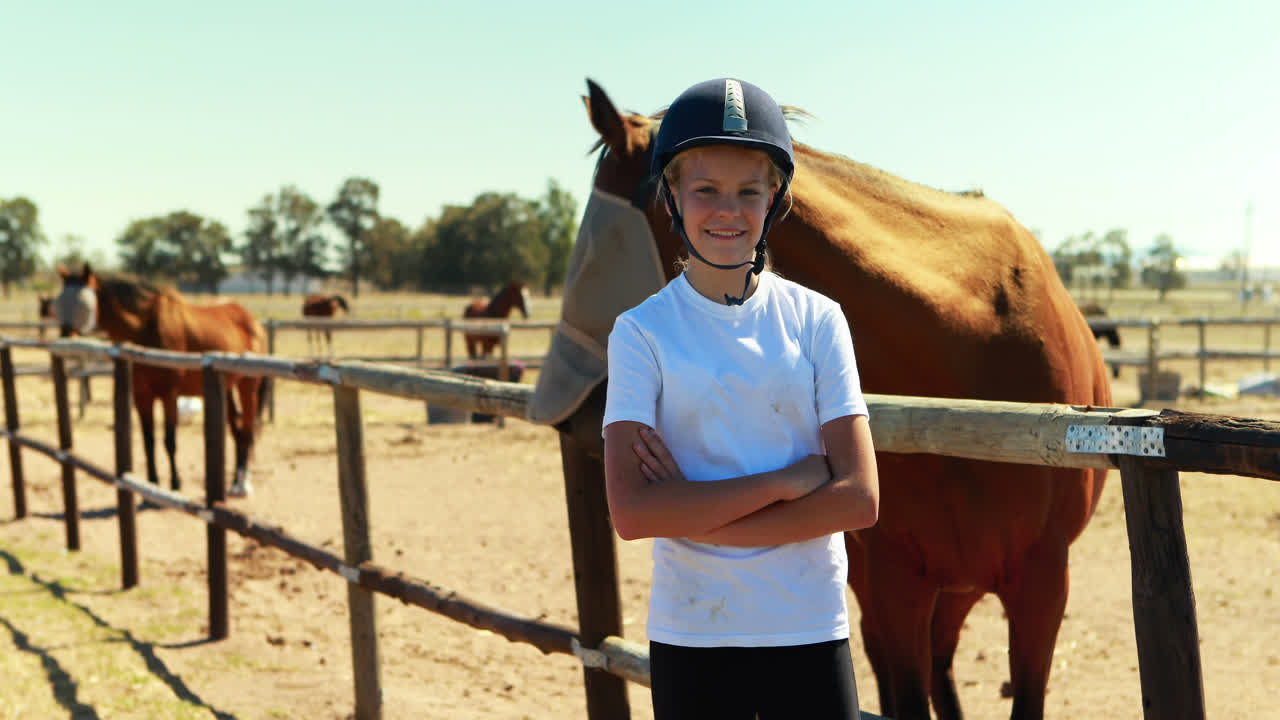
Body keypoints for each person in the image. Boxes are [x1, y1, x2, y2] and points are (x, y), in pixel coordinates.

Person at [602, 78, 880, 719]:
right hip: (695, 630)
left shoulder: (818, 322)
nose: (727, 210)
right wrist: (793, 481)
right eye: (705, 190)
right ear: (671, 195)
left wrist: (701, 518)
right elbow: (634, 513)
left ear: (773, 198)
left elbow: (860, 498)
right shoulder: (641, 334)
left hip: (807, 624)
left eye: (748, 192)